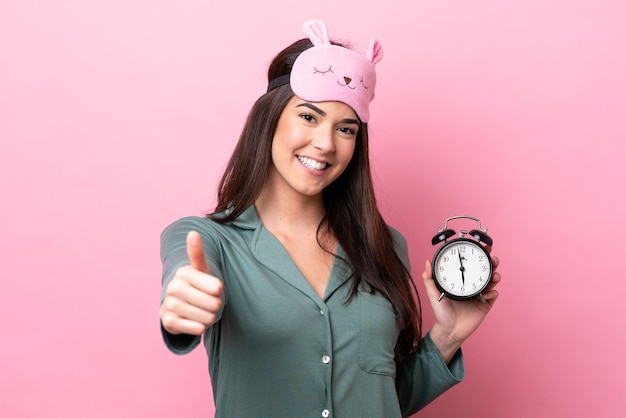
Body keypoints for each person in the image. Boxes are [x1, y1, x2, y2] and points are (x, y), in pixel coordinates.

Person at [159, 19, 501, 418]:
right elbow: (184, 284)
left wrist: (446, 337)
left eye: (346, 128)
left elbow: (382, 398)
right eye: (308, 117)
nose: (325, 143)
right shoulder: (205, 240)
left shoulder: (385, 246)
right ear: (269, 118)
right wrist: (182, 306)